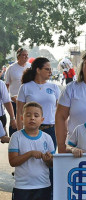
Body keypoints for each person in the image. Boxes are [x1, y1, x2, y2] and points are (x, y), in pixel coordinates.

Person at [16, 57, 60, 199]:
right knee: (30, 162)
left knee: (50, 163)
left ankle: (50, 194)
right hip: (30, 131)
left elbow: (60, 112)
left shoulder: (54, 87)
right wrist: (18, 133)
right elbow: (19, 112)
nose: (50, 71)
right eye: (47, 69)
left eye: (50, 69)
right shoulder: (26, 87)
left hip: (50, 130)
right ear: (38, 70)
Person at [8, 102, 55, 200]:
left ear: (42, 120)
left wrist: (48, 160)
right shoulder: (16, 136)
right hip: (22, 188)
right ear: (21, 118)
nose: (32, 118)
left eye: (36, 115)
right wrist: (30, 154)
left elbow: (53, 164)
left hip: (43, 186)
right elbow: (12, 162)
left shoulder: (47, 138)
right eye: (28, 115)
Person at [5, 47, 31, 136]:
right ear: (18, 56)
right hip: (15, 100)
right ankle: (13, 142)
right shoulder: (11, 68)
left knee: (28, 123)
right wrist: (5, 101)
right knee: (15, 123)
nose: (26, 57)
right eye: (24, 55)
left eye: (27, 55)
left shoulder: (30, 67)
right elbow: (6, 86)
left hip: (28, 101)